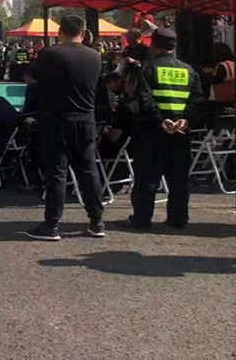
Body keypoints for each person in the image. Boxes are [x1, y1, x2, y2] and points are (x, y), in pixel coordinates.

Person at [23, 14, 107, 241]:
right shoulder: (95, 56)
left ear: (59, 32)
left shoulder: (50, 54)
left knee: (56, 173)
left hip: (56, 120)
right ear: (83, 32)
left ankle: (51, 224)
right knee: (88, 171)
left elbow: (31, 77)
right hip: (86, 119)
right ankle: (97, 221)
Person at [121, 28, 204, 231]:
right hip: (180, 132)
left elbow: (145, 99)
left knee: (147, 178)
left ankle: (142, 220)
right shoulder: (188, 70)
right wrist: (185, 120)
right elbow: (197, 100)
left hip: (152, 131)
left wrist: (161, 120)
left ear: (153, 44)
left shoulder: (147, 68)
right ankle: (178, 218)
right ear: (174, 46)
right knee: (178, 178)